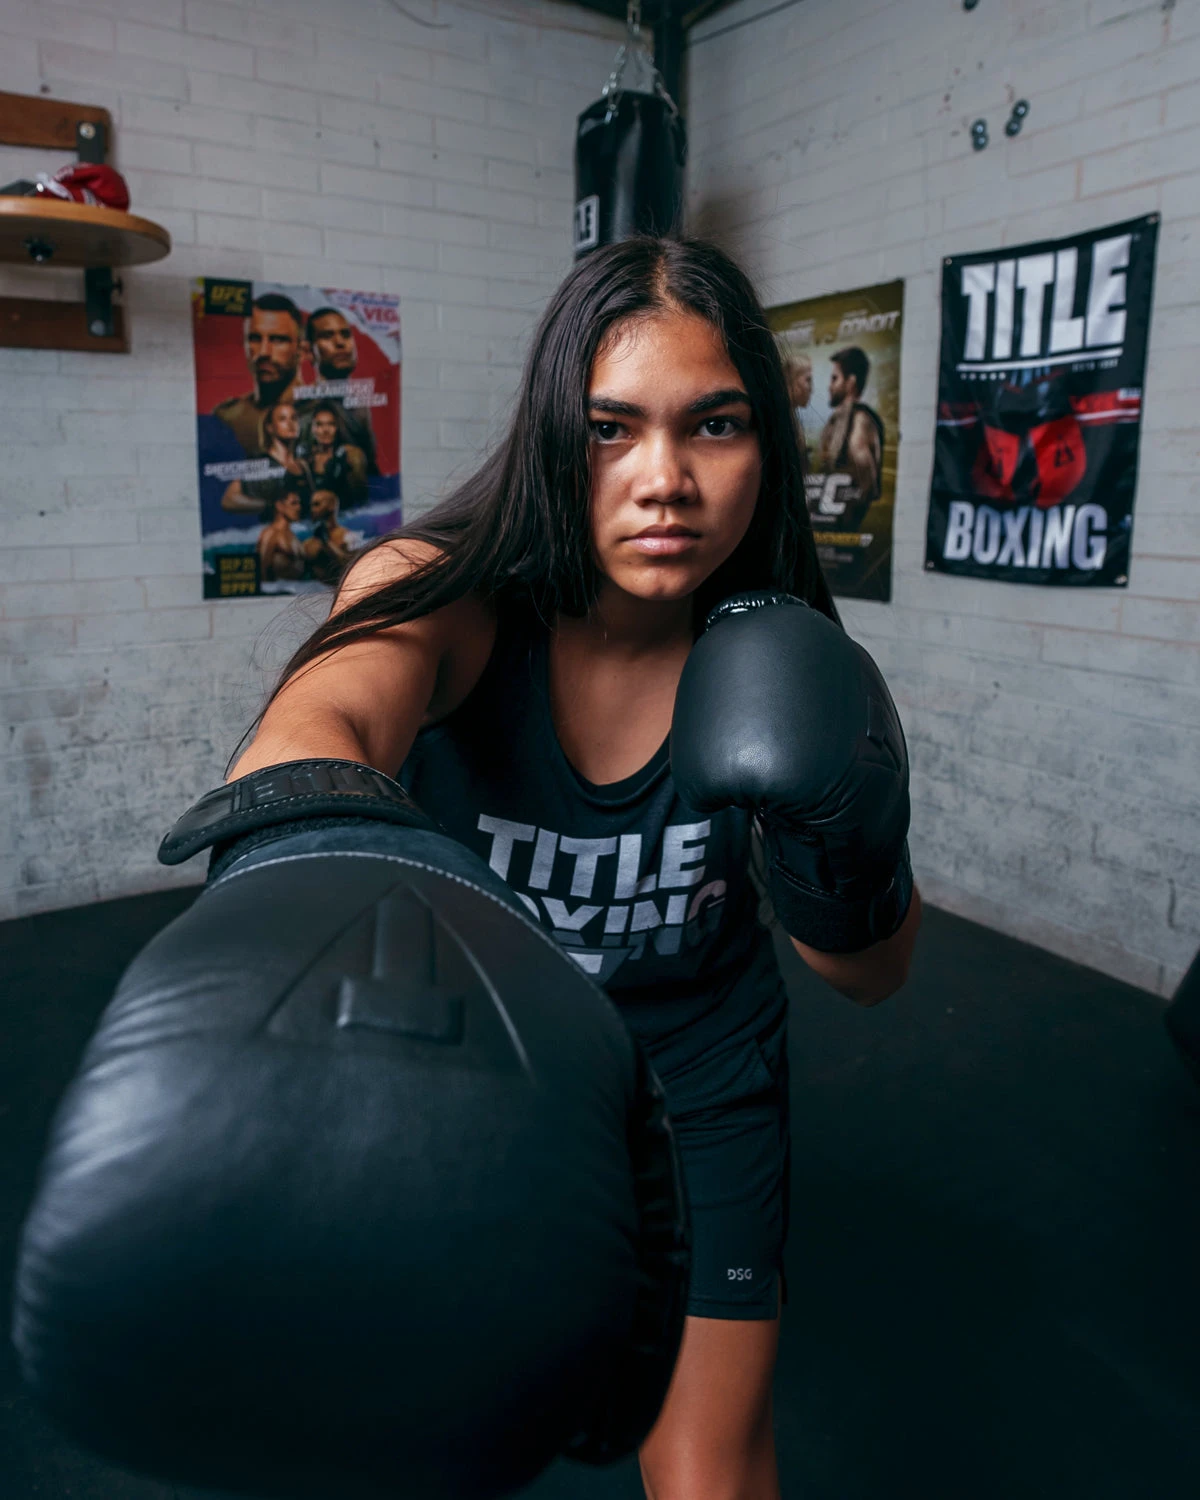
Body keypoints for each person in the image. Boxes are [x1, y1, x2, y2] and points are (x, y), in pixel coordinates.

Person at [230, 236, 920, 1500]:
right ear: (555, 434)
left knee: (708, 1468)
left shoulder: (782, 658)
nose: (665, 481)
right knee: (413, 1435)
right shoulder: (444, 594)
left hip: (705, 1070)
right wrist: (293, 844)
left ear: (765, 445)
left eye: (714, 424)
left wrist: (841, 835)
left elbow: (870, 975)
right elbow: (320, 723)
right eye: (611, 429)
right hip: (484, 1066)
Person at [213, 293, 306, 457]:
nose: (264, 352)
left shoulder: (323, 412)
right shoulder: (228, 416)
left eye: (278, 340)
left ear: (301, 350)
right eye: (254, 338)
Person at [304, 305, 381, 475]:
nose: (340, 343)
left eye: (345, 334)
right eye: (327, 336)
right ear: (309, 351)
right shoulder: (304, 406)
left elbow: (370, 466)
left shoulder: (360, 404)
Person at [817, 345, 885, 520]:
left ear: (851, 382)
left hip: (842, 525)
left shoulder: (859, 420)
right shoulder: (841, 419)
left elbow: (866, 483)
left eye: (835, 379)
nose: (830, 386)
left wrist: (841, 516)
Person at [220, 400, 309, 514]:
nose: (290, 423)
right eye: (282, 419)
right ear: (270, 427)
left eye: (294, 418)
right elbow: (229, 499)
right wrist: (270, 507)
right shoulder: (260, 461)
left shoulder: (303, 465)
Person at [296, 400, 369, 509]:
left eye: (331, 424)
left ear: (337, 427)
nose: (325, 430)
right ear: (312, 428)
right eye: (319, 424)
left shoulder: (350, 454)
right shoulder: (305, 457)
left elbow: (361, 498)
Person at [302, 487, 354, 584]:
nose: (312, 509)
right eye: (311, 505)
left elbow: (352, 565)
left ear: (331, 505)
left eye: (317, 504)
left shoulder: (347, 536)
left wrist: (326, 542)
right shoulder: (308, 542)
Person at [255, 490, 305, 584]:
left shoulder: (292, 535)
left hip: (296, 588)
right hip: (277, 589)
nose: (299, 507)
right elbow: (261, 570)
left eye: (299, 503)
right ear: (279, 506)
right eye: (294, 503)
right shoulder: (271, 533)